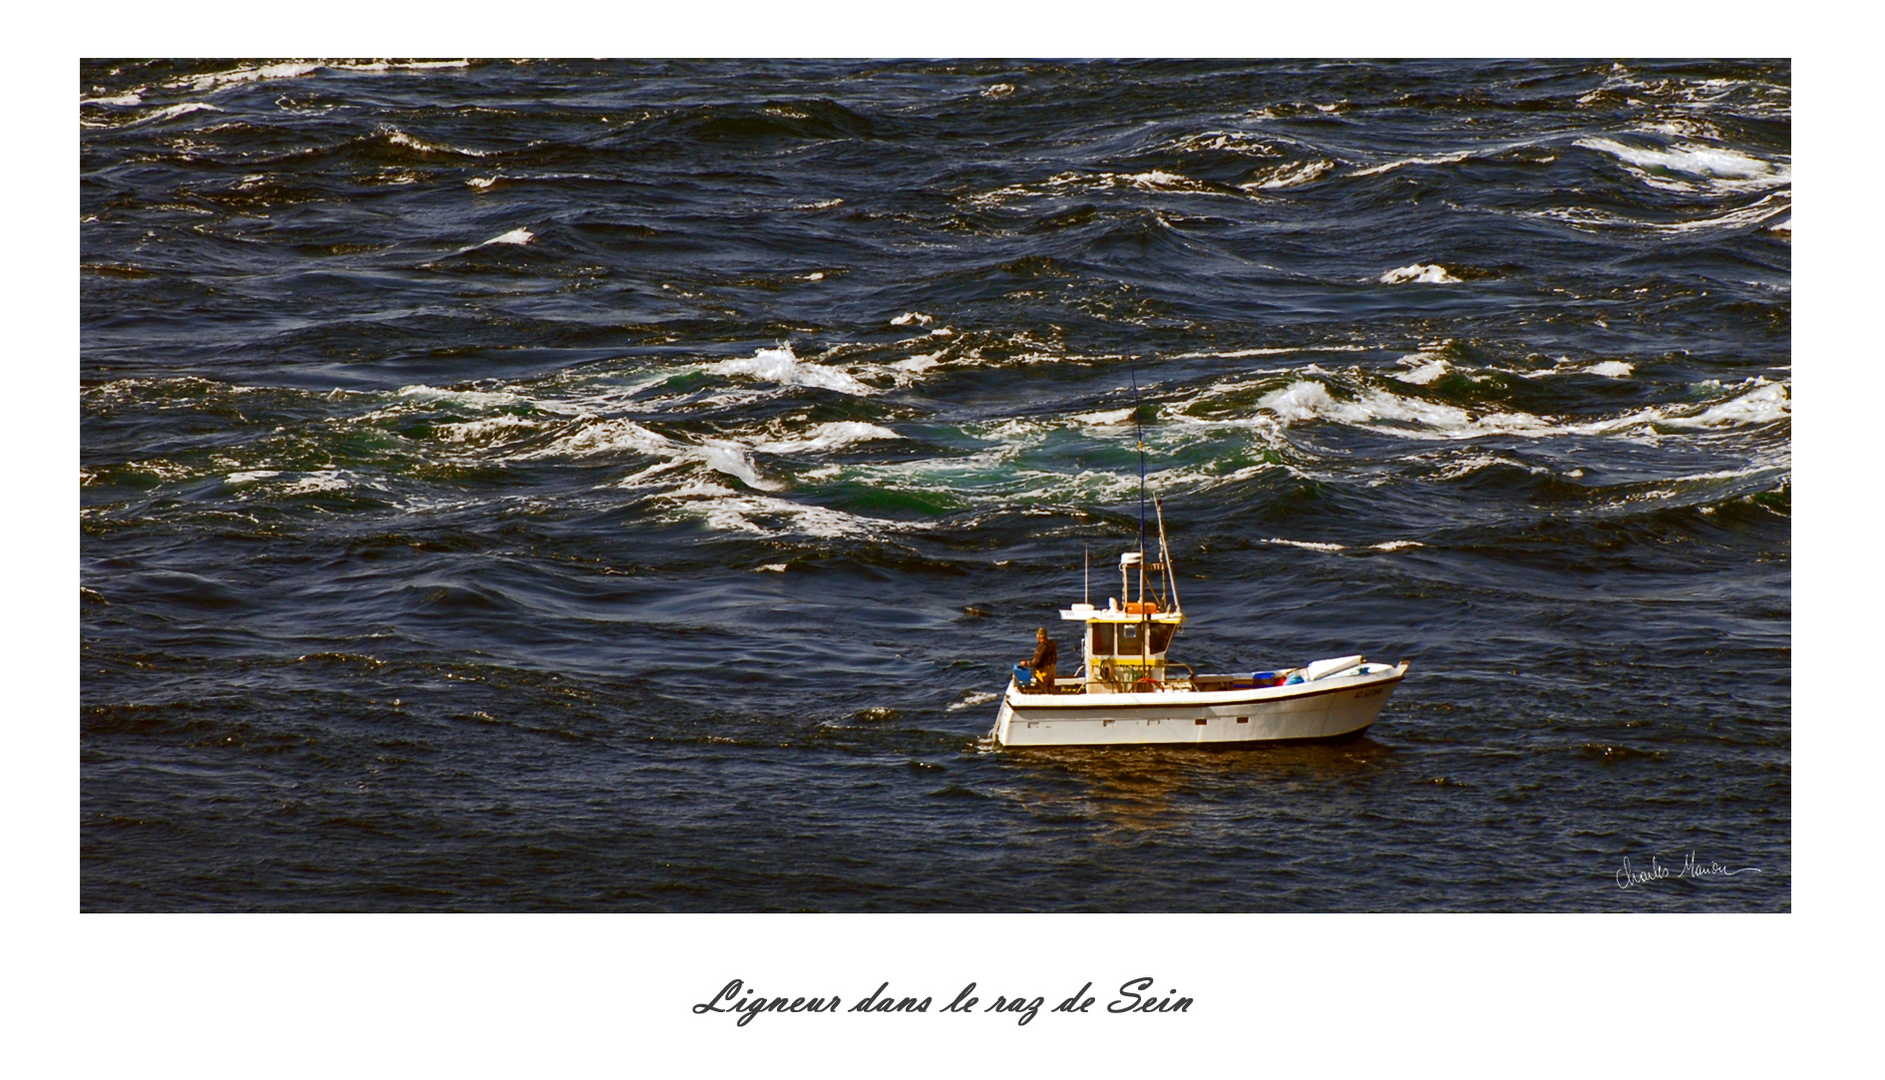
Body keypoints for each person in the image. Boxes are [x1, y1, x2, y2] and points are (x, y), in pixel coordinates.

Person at [1023, 627, 1058, 693]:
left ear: (1038, 637)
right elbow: (1055, 657)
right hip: (1052, 668)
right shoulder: (1052, 644)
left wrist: (1026, 663)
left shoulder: (1041, 647)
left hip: (1044, 671)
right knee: (1051, 687)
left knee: (1043, 689)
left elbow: (1036, 662)